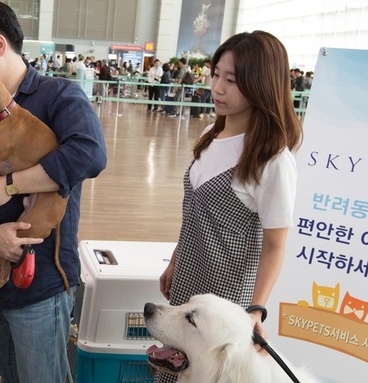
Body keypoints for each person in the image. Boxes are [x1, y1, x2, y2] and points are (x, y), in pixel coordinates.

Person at [0, 1, 107, 382]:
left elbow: (90, 155)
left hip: (42, 283)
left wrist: (6, 186)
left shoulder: (59, 97)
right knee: (7, 373)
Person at [156, 30, 302, 383]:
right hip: (190, 279)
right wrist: (177, 259)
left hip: (226, 300)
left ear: (261, 84)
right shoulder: (212, 133)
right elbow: (194, 212)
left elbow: (275, 245)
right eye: (216, 74)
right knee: (174, 365)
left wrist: (254, 311)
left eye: (232, 80)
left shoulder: (272, 160)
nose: (217, 87)